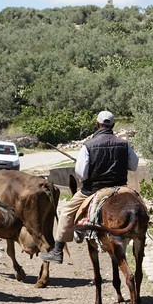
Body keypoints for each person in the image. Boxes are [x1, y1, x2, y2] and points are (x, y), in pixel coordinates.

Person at [41, 110, 138, 264]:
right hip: (119, 188)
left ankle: (58, 251)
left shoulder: (89, 145)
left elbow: (81, 174)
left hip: (93, 190)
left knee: (66, 211)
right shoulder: (124, 144)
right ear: (113, 125)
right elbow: (133, 165)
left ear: (98, 124)